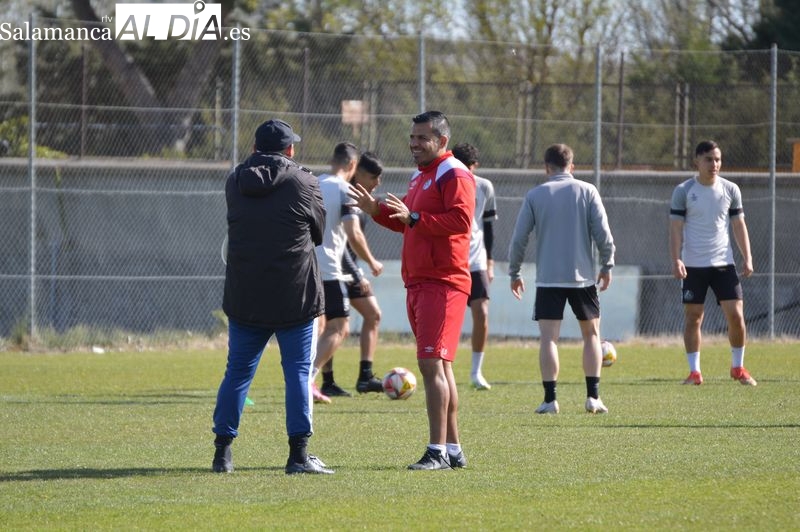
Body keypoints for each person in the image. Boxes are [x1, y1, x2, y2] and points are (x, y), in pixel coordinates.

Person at [349, 111, 475, 470]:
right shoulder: (422, 176)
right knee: (441, 367)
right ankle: (452, 450)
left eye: (423, 138)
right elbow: (408, 223)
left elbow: (461, 221)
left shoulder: (455, 173)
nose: (414, 144)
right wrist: (376, 210)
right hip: (420, 281)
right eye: (413, 137)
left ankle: (435, 451)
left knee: (431, 363)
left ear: (442, 141)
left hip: (443, 281)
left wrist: (416, 219)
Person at [212, 118, 333, 475]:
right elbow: (319, 232)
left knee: (237, 373)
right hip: (294, 292)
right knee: (297, 373)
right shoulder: (305, 180)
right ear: (290, 150)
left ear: (253, 148)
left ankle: (223, 454)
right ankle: (298, 456)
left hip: (246, 292)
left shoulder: (234, 180)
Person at [508, 143, 615, 415]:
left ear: (546, 167)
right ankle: (593, 397)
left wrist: (515, 272)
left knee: (549, 339)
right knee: (591, 334)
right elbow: (603, 233)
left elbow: (519, 239)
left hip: (548, 280)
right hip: (583, 279)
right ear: (572, 166)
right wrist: (607, 263)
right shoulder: (588, 191)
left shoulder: (536, 195)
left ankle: (549, 400)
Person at [669, 140, 756, 386]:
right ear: (696, 161)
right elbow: (675, 228)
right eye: (708, 159)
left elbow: (739, 225)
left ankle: (738, 367)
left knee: (736, 316)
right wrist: (676, 259)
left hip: (723, 264)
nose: (714, 164)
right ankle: (694, 372)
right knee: (693, 317)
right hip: (693, 265)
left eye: (717, 159)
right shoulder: (684, 191)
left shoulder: (731, 189)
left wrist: (747, 257)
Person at [312, 142, 383, 403]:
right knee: (339, 327)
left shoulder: (313, 183)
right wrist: (372, 262)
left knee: (318, 327)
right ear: (352, 166)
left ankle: (312, 381)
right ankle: (309, 379)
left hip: (306, 267)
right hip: (330, 268)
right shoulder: (344, 190)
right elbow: (353, 233)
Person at [452, 143, 498, 390]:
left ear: (475, 167)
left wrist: (489, 262)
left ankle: (475, 372)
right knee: (450, 319)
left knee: (481, 312)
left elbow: (488, 226)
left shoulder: (484, 186)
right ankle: (442, 368)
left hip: (476, 261)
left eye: (468, 168)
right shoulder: (447, 181)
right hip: (452, 259)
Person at [344, 151, 386, 393]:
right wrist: (366, 266)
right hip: (336, 268)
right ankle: (323, 381)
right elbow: (349, 238)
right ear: (357, 172)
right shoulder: (345, 195)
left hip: (347, 267)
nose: (377, 182)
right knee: (335, 326)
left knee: (372, 315)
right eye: (373, 177)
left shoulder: (362, 198)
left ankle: (365, 377)